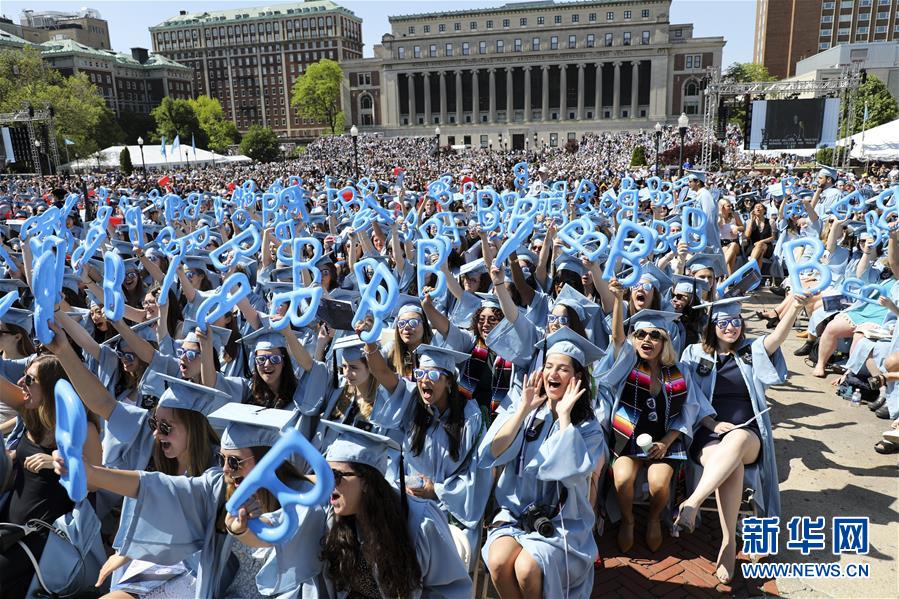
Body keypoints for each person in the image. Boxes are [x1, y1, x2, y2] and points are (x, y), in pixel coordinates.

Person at [53, 400, 328, 598]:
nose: (225, 469)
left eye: (234, 461)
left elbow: (271, 535)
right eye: (222, 459)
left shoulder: (299, 496)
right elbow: (161, 488)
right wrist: (93, 473)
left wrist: (240, 529)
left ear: (268, 461)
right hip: (222, 589)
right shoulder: (220, 485)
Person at [677, 295, 808, 584]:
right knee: (729, 464)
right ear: (712, 326)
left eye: (736, 321)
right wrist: (712, 422)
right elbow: (689, 397)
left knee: (735, 442)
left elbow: (776, 337)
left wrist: (796, 308)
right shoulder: (693, 353)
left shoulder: (751, 350)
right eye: (723, 322)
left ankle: (693, 501)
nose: (731, 327)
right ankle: (728, 542)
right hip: (708, 433)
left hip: (748, 434)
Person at [479, 327, 605, 598]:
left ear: (577, 378)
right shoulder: (525, 408)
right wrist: (523, 409)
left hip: (562, 523)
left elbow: (571, 473)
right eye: (548, 366)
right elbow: (492, 452)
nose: (553, 374)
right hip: (513, 514)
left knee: (526, 568)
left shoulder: (588, 428)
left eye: (562, 369)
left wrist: (564, 418)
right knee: (498, 563)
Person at [598, 285, 709, 553]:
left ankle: (653, 519)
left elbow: (688, 411)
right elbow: (616, 339)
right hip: (629, 441)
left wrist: (667, 442)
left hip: (665, 443)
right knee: (623, 479)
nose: (647, 340)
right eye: (640, 335)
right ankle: (627, 520)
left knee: (660, 485)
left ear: (665, 341)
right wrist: (618, 301)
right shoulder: (627, 365)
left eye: (655, 335)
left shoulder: (679, 371)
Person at [322, 420, 472, 598]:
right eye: (324, 474)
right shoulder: (335, 517)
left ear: (366, 480)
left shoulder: (420, 522)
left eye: (335, 476)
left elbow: (451, 591)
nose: (327, 484)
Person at [0, 355, 102, 597]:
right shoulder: (31, 411)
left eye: (30, 379)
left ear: (51, 387)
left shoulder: (84, 429)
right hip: (11, 518)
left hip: (44, 532)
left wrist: (57, 462)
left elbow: (95, 484)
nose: (22, 382)